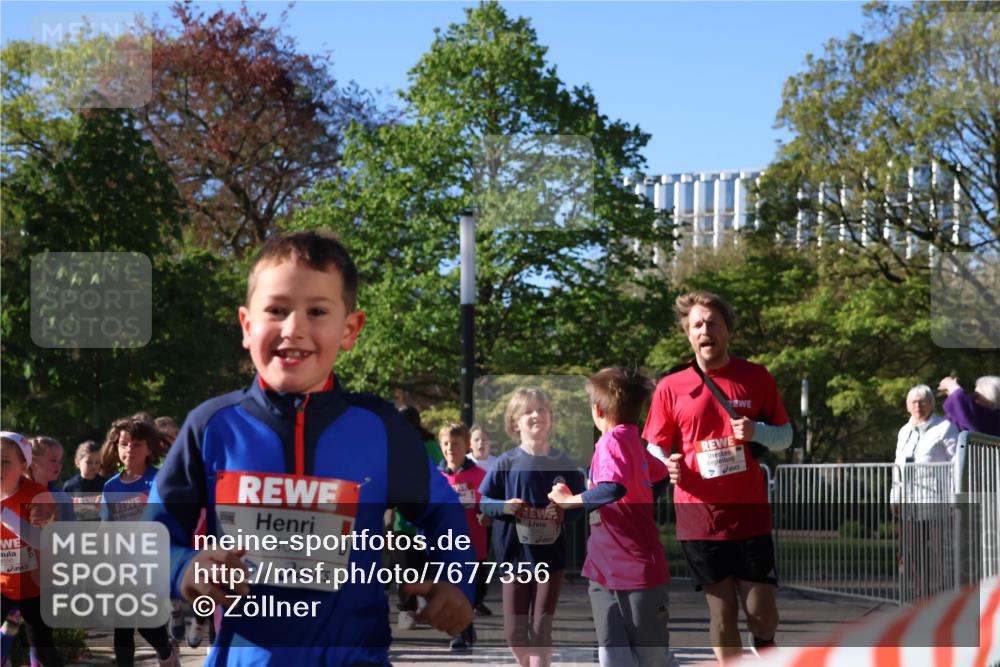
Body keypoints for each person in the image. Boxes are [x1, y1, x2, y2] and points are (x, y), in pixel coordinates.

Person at [147, 230, 473, 666]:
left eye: (317, 311)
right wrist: (184, 567)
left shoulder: (379, 427)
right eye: (277, 310)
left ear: (349, 329)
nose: (294, 328)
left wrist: (458, 580)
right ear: (247, 326)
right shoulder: (211, 426)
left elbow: (443, 512)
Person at [643, 291, 791, 663]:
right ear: (688, 334)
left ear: (727, 332)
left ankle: (766, 645)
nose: (704, 330)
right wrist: (668, 464)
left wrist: (757, 431)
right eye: (697, 325)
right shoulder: (670, 386)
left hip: (750, 510)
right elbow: (654, 448)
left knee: (761, 610)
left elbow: (785, 436)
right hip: (698, 514)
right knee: (721, 611)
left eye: (712, 323)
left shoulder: (755, 377)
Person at [548, 367, 673, 667]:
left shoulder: (611, 442)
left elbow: (613, 488)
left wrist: (569, 500)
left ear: (598, 410)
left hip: (635, 572)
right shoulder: (633, 441)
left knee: (650, 658)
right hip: (604, 570)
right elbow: (660, 476)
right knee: (614, 656)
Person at [479, 387, 586, 667]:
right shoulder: (506, 462)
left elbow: (581, 503)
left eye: (541, 410)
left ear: (551, 418)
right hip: (514, 559)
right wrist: (504, 507)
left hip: (551, 559)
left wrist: (564, 515)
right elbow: (483, 501)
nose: (536, 415)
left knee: (541, 629)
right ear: (515, 423)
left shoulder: (564, 463)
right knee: (514, 633)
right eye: (528, 411)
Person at [100, 417, 178, 667]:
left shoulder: (159, 480)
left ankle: (165, 651)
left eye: (136, 445)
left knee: (147, 626)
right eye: (124, 444)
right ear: (116, 447)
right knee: (122, 628)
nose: (129, 450)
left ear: (149, 449)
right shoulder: (111, 487)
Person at [0, 431, 61, 667]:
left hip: (36, 588)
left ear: (23, 465)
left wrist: (5, 515)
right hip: (4, 585)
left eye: (5, 461)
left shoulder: (37, 495)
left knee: (43, 651)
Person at [437, 422, 488, 651]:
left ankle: (466, 625)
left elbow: (488, 507)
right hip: (445, 545)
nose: (450, 448)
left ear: (466, 446)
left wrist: (487, 517)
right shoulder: (435, 477)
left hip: (474, 544)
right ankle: (457, 633)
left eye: (455, 444)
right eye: (446, 443)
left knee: (473, 592)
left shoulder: (480, 476)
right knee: (453, 589)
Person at [890, 385, 959, 505]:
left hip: (937, 503)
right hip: (908, 503)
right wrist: (895, 498)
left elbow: (956, 464)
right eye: (914, 402)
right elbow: (898, 467)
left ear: (931, 404)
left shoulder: (945, 427)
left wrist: (955, 500)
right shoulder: (904, 431)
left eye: (922, 402)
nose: (917, 406)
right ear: (908, 406)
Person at [27, 437, 75, 523]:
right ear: (33, 463)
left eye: (59, 461)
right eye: (53, 460)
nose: (59, 465)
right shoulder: (14, 493)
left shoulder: (62, 498)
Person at [63, 441, 107, 521]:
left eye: (97, 462)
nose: (93, 466)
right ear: (78, 462)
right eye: (89, 462)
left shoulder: (105, 484)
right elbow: (65, 512)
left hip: (100, 529)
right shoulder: (70, 486)